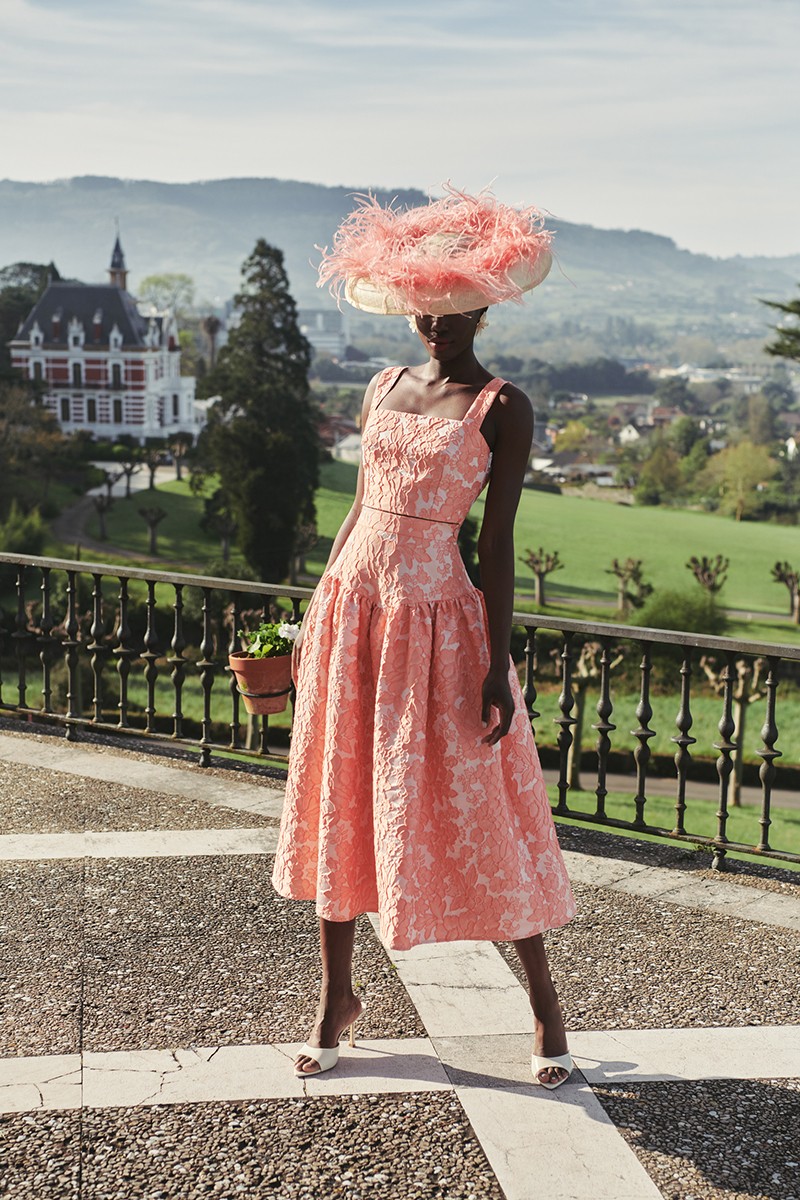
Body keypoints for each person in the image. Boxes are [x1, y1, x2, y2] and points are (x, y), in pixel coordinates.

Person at [272, 187, 576, 1088]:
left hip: (438, 624)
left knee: (481, 805)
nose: (437, 324)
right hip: (354, 611)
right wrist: (315, 617)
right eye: (426, 309)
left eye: (455, 308)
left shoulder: (501, 406)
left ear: (483, 304)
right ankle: (337, 998)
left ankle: (546, 1008)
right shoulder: (381, 388)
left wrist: (496, 661)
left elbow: (496, 543)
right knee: (341, 794)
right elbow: (360, 510)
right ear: (409, 307)